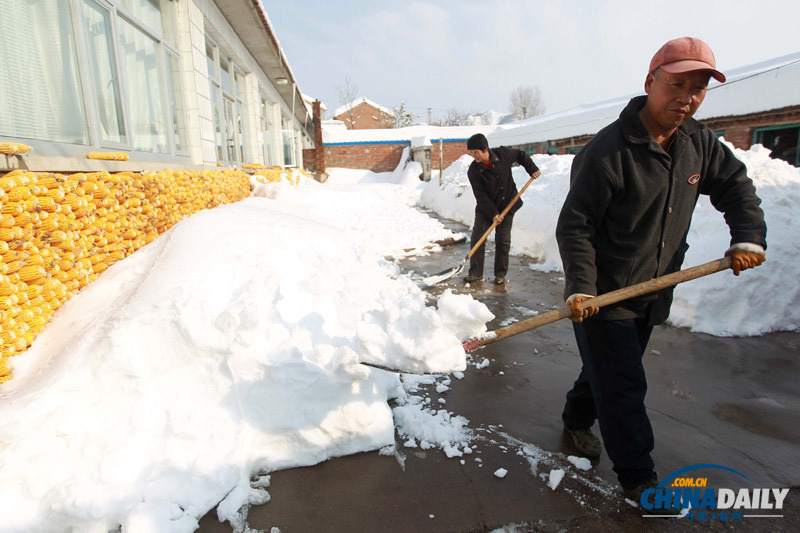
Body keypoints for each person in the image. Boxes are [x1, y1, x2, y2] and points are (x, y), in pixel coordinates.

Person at [555, 37, 767, 505]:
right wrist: (581, 289)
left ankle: (574, 418)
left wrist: (747, 235)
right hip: (604, 295)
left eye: (698, 88)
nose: (687, 97)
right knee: (624, 385)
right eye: (676, 84)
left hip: (655, 287)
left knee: (607, 374)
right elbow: (577, 226)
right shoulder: (607, 152)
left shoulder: (698, 142)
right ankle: (638, 477)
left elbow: (735, 185)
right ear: (650, 82)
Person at [465, 133, 541, 284]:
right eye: (471, 153)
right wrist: (493, 213)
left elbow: (521, 155)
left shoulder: (503, 154)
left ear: (485, 148)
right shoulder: (473, 170)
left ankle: (500, 274)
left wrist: (531, 168)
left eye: (476, 152)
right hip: (486, 209)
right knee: (477, 238)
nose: (474, 156)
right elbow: (481, 195)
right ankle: (475, 273)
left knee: (503, 241)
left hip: (508, 204)